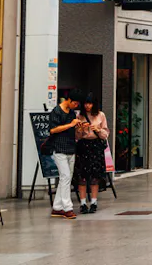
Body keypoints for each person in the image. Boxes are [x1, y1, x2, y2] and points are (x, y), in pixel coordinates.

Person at [48, 89, 84, 219]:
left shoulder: (72, 113)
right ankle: (67, 208)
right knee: (65, 177)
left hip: (71, 148)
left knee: (66, 178)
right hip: (59, 149)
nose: (76, 106)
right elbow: (53, 130)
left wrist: (79, 128)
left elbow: (73, 130)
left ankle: (57, 207)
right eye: (74, 103)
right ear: (69, 100)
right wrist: (70, 125)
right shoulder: (56, 111)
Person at [74, 93, 109, 214]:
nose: (87, 106)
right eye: (85, 103)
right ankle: (83, 203)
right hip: (83, 146)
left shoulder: (101, 115)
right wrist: (80, 130)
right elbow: (77, 136)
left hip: (96, 146)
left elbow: (105, 134)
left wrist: (98, 130)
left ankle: (94, 202)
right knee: (82, 176)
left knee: (95, 176)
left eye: (90, 103)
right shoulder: (80, 115)